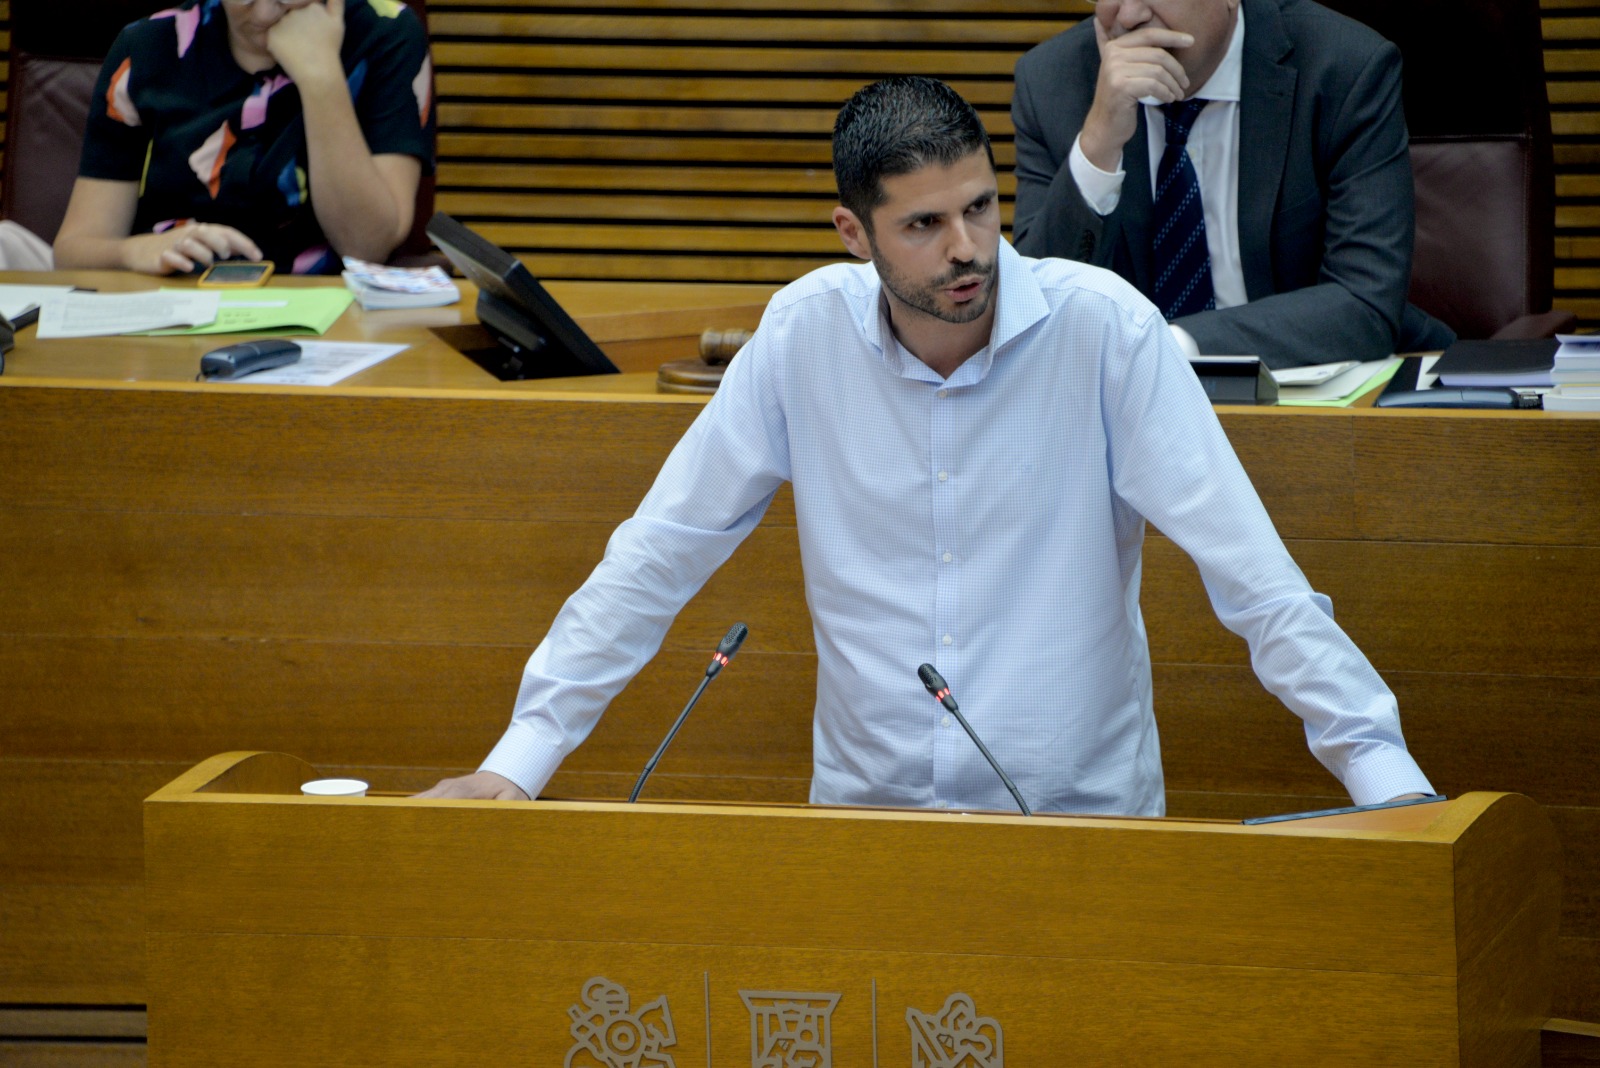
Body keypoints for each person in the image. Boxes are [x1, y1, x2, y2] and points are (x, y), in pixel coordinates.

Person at [421, 76, 1432, 813]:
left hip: (1073, 822)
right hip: (868, 822)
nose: (966, 249)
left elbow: (1253, 577)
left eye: (982, 210)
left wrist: (1383, 779)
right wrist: (521, 758)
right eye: (923, 225)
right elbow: (658, 552)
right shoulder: (803, 335)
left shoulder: (1105, 334)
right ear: (852, 234)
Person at [1010, 0, 1454, 368]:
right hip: (1126, 430)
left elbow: (1365, 302)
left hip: (1319, 406)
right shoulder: (1053, 83)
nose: (1128, 15)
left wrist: (1172, 345)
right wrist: (1097, 147)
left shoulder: (1342, 68)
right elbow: (1033, 320)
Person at [53, 0, 435, 276]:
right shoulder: (146, 48)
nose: (267, 11)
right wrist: (134, 252)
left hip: (327, 315)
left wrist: (321, 78)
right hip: (170, 306)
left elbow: (366, 246)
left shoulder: (386, 32)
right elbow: (73, 250)